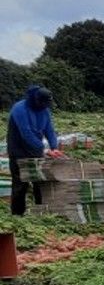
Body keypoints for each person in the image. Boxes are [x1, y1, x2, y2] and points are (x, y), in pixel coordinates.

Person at [6, 84, 61, 216]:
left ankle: (40, 214)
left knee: (40, 182)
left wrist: (54, 147)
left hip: (35, 149)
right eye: (43, 103)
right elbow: (27, 134)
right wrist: (45, 150)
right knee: (20, 184)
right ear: (36, 100)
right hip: (18, 149)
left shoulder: (45, 110)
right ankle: (17, 215)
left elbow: (49, 129)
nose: (45, 106)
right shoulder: (19, 109)